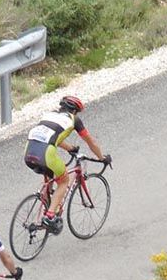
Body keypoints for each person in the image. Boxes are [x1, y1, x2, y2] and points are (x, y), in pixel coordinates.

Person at [23, 95, 111, 234]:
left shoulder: (49, 115)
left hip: (29, 151)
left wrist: (70, 148)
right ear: (75, 111)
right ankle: (50, 215)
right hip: (46, 153)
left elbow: (53, 137)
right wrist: (102, 158)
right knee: (64, 181)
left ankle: (43, 209)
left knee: (49, 175)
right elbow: (90, 142)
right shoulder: (74, 119)